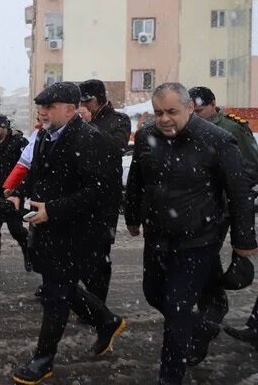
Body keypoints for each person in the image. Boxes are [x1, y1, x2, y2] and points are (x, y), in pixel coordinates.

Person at [125, 83, 257, 385]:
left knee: (176, 307)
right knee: (153, 294)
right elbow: (137, 179)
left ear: (189, 108)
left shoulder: (219, 140)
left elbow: (239, 195)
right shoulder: (146, 135)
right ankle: (205, 319)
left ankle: (170, 375)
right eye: (158, 112)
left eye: (172, 111)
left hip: (198, 238)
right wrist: (133, 215)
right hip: (157, 234)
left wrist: (244, 247)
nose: (165, 119)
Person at [11, 82, 126, 385]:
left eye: (49, 107)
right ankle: (108, 321)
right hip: (49, 227)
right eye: (40, 107)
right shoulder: (45, 136)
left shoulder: (91, 139)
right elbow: (38, 173)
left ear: (70, 109)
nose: (42, 112)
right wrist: (18, 193)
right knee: (56, 285)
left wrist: (55, 209)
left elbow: (101, 191)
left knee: (56, 294)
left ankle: (43, 359)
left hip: (76, 232)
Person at [188, 86, 258, 362]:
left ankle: (208, 317)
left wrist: (229, 184)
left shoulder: (231, 128)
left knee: (204, 262)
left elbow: (252, 166)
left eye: (202, 109)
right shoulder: (185, 127)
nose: (198, 115)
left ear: (213, 105)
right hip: (192, 211)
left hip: (223, 209)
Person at [78, 79, 131, 302]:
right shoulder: (75, 121)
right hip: (79, 194)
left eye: (87, 101)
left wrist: (90, 126)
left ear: (99, 99)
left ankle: (97, 301)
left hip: (105, 196)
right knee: (78, 249)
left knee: (100, 253)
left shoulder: (119, 120)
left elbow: (116, 148)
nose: (84, 106)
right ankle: (85, 295)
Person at [0, 114, 29, 273]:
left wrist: (17, 192)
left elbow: (27, 169)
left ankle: (29, 253)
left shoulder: (19, 142)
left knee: (16, 229)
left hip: (13, 193)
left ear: (3, 126)